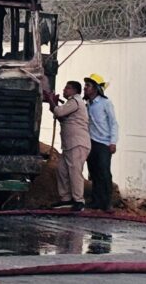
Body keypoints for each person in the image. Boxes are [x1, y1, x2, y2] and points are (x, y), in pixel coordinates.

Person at [46, 80, 91, 212]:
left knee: (74, 171)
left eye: (68, 88)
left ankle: (79, 201)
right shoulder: (71, 103)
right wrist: (52, 104)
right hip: (69, 145)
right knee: (62, 170)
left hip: (77, 143)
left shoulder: (75, 101)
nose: (65, 90)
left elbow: (59, 112)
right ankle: (65, 199)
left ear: (75, 91)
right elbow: (61, 116)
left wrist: (51, 100)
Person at [84, 73, 119, 212]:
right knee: (94, 172)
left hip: (104, 143)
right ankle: (96, 201)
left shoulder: (105, 103)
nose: (85, 88)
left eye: (88, 86)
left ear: (96, 88)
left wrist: (113, 142)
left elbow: (114, 123)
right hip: (91, 142)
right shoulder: (87, 104)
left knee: (104, 172)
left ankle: (107, 203)